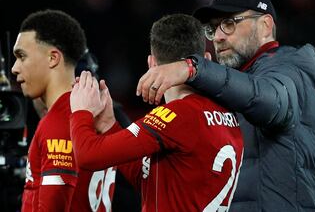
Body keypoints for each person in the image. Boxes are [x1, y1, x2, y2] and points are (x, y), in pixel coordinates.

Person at [136, 0, 315, 211]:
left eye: (229, 23)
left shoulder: (289, 69)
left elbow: (271, 102)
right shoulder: (232, 88)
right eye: (212, 28)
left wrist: (194, 69)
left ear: (265, 25)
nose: (217, 37)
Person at [69, 13, 244, 211]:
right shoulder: (228, 115)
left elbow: (87, 156)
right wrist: (109, 125)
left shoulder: (177, 116)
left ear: (151, 64)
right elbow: (153, 182)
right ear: (206, 59)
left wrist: (80, 112)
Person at [12, 9, 117, 212]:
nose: (14, 68)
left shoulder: (60, 122)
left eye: (21, 56)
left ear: (53, 58)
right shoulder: (86, 115)